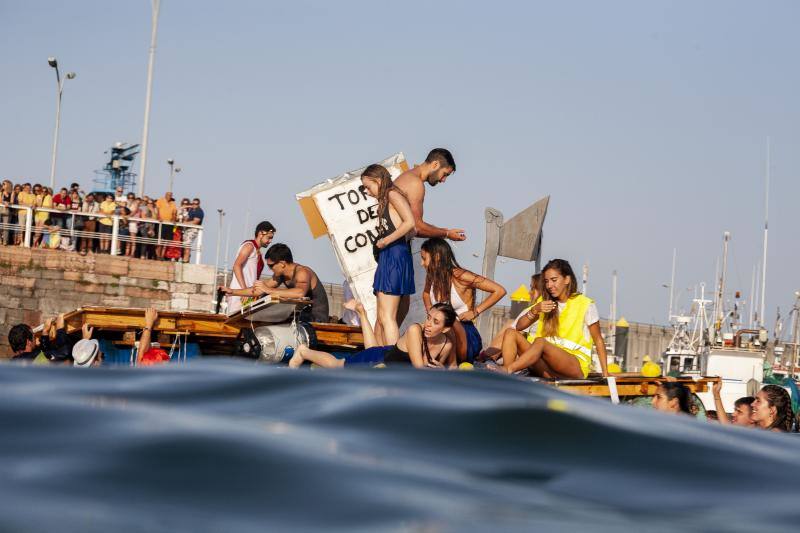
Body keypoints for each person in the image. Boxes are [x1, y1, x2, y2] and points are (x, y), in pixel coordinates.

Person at [494, 259, 609, 378]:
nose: (549, 285)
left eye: (554, 280)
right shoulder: (544, 302)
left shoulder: (585, 304)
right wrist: (535, 310)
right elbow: (519, 326)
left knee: (540, 342)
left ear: (567, 280)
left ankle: (508, 369)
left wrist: (605, 373)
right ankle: (507, 378)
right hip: (547, 367)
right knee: (510, 333)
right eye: (546, 281)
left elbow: (598, 340)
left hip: (574, 366)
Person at [289, 301, 457, 369]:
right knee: (337, 365)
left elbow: (431, 375)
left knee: (373, 348)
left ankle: (361, 312)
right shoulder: (415, 330)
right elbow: (420, 370)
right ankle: (304, 351)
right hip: (379, 360)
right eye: (429, 318)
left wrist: (442, 370)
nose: (428, 324)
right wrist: (441, 372)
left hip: (390, 361)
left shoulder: (446, 345)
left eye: (436, 322)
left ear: (445, 329)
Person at [420, 238, 506, 363]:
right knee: (416, 329)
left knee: (450, 321)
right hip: (439, 332)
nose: (422, 263)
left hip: (465, 335)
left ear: (437, 257)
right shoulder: (432, 275)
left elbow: (499, 290)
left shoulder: (460, 276)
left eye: (424, 258)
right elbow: (426, 294)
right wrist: (430, 314)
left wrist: (475, 311)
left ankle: (452, 364)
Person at [362, 164, 416, 345]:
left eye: (368, 187)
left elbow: (410, 223)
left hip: (394, 255)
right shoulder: (385, 199)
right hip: (390, 255)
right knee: (382, 317)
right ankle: (383, 354)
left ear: (378, 181)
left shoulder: (392, 194)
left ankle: (392, 357)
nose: (367, 192)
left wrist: (386, 240)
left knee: (387, 317)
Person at [222, 243, 330, 323]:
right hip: (301, 313)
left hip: (317, 317)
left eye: (271, 266)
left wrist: (269, 290)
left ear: (282, 263)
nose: (269, 269)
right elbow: (258, 290)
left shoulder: (302, 272)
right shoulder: (280, 275)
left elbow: (300, 293)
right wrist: (232, 291)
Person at [481, 273, 543, 362]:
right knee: (510, 324)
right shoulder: (550, 305)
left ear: (541, 290)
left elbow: (518, 331)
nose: (529, 292)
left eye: (533, 288)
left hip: (534, 353)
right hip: (540, 349)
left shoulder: (536, 308)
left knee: (511, 330)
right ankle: (489, 355)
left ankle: (488, 356)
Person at [226, 221, 275, 314]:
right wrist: (244, 290)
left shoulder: (257, 251)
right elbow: (236, 266)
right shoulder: (249, 246)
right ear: (261, 234)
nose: (270, 241)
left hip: (249, 294)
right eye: (269, 238)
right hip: (241, 294)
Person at [155, 191, 177, 259]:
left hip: (169, 224)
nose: (169, 196)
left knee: (166, 241)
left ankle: (162, 256)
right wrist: (159, 217)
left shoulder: (173, 203)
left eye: (170, 195)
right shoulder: (160, 200)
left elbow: (174, 213)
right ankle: (158, 255)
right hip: (161, 223)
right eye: (168, 195)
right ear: (165, 195)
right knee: (159, 240)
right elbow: (157, 210)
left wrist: (173, 219)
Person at [182, 198, 204, 263]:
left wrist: (185, 223)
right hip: (187, 229)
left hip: (193, 230)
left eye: (196, 204)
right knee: (185, 245)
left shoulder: (199, 211)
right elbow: (186, 218)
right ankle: (186, 259)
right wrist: (188, 206)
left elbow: (195, 222)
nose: (194, 205)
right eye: (193, 203)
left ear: (199, 204)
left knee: (187, 244)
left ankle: (185, 260)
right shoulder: (191, 210)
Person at [0, 179, 12, 245]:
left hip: (7, 212)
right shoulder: (1, 192)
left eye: (4, 184)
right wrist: (4, 202)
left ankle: (5, 241)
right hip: (1, 210)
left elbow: (12, 201)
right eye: (3, 184)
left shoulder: (11, 193)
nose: (3, 185)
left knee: (6, 227)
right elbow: (0, 200)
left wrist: (9, 203)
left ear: (8, 185)